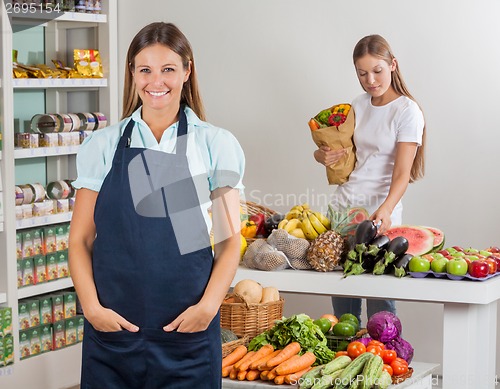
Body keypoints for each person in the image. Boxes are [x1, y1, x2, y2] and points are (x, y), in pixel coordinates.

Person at [69, 22, 245, 389]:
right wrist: (92, 309)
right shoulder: (102, 146)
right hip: (113, 336)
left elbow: (230, 240)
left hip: (187, 336)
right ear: (132, 73)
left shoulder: (215, 145)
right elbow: (80, 240)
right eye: (144, 69)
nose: (156, 81)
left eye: (168, 69)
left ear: (187, 71)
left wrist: (208, 308)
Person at [314, 34, 425, 324]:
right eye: (362, 73)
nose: (370, 80)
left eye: (377, 71)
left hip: (379, 213)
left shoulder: (406, 111)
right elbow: (342, 153)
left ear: (393, 65)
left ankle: (385, 361)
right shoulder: (358, 105)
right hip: (344, 206)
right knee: (343, 298)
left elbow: (402, 173)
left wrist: (387, 209)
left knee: (379, 298)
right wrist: (322, 156)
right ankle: (347, 358)